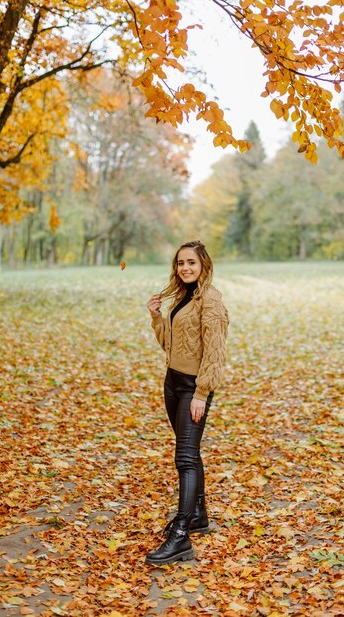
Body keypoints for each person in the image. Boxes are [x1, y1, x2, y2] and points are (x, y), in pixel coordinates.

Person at [145, 240, 229, 565]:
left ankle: (180, 535)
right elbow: (170, 344)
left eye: (191, 262)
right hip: (173, 382)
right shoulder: (182, 296)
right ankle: (199, 515)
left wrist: (201, 393)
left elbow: (215, 353)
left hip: (193, 388)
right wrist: (156, 317)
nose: (185, 268)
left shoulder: (211, 300)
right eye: (180, 263)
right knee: (189, 452)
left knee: (185, 458)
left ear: (203, 264)